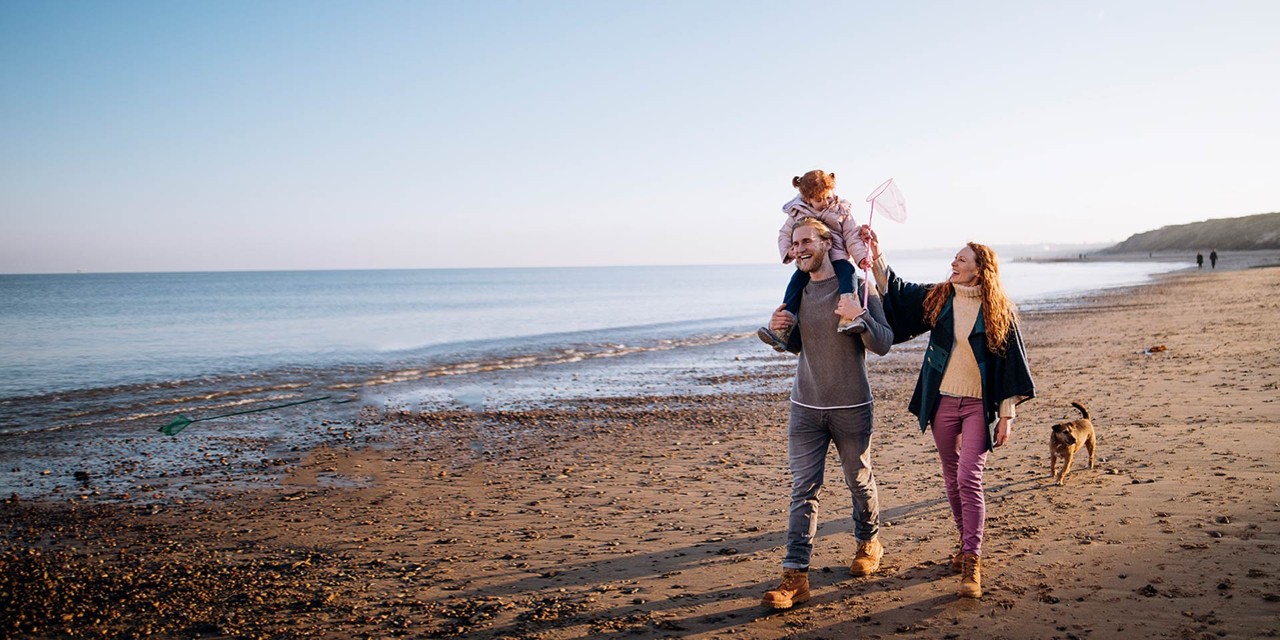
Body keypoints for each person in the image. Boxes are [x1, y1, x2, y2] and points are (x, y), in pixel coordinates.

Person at [864, 227, 1034, 599]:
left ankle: (972, 559)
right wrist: (876, 253)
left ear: (979, 270)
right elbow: (899, 289)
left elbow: (1009, 365)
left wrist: (1006, 416)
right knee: (952, 475)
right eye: (954, 258)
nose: (953, 263)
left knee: (969, 477)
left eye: (961, 259)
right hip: (942, 401)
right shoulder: (940, 297)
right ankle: (963, 542)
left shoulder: (997, 310)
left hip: (977, 405)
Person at [759, 217, 893, 610]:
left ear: (825, 242)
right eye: (794, 242)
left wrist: (860, 316)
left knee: (858, 480)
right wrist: (779, 331)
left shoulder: (856, 287)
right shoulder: (798, 291)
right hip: (805, 406)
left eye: (805, 241)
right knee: (803, 489)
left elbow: (882, 343)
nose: (797, 248)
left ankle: (869, 542)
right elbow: (802, 346)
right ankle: (795, 575)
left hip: (851, 405)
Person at [758, 170, 871, 351]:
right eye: (820, 200)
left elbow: (851, 235)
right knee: (796, 282)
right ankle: (783, 326)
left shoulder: (840, 209)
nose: (826, 202)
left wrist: (861, 257)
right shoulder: (797, 213)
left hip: (838, 255)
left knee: (847, 274)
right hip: (810, 261)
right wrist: (790, 251)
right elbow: (784, 234)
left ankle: (847, 317)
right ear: (807, 199)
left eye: (828, 197)